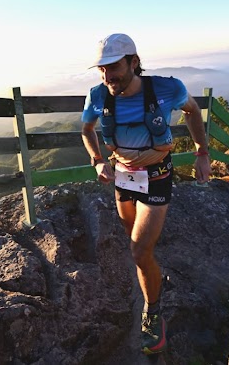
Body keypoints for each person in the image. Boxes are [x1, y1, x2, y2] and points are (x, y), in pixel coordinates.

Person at [81, 33, 211, 355]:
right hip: (123, 175)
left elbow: (193, 111)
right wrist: (98, 160)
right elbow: (86, 130)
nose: (108, 76)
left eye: (114, 67)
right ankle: (152, 272)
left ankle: (153, 313)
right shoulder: (98, 95)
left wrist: (202, 152)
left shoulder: (167, 88)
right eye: (102, 69)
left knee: (138, 251)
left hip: (157, 174)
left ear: (134, 62)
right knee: (135, 244)